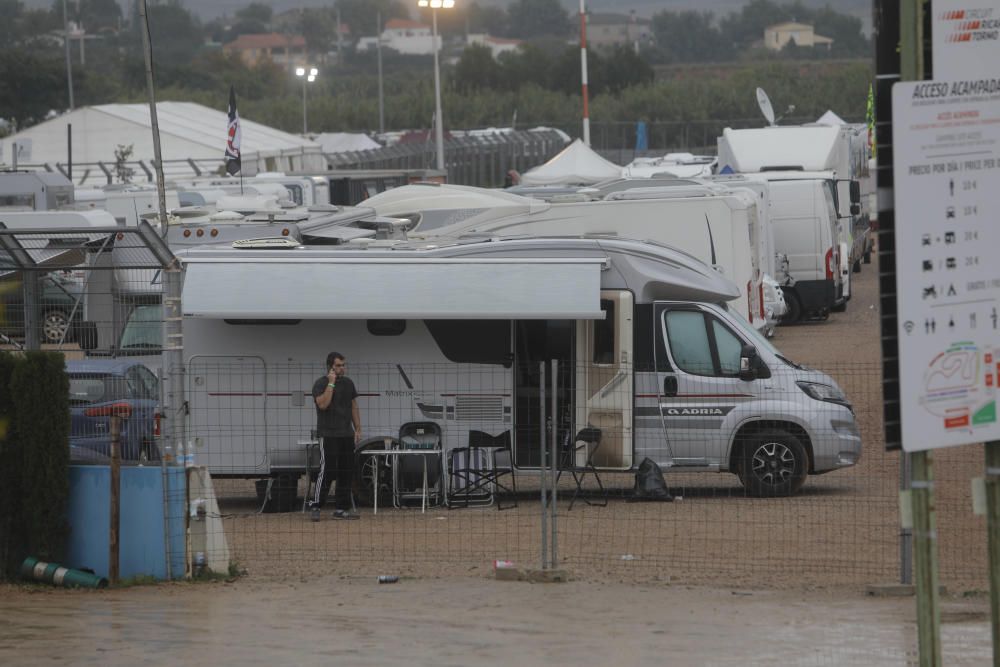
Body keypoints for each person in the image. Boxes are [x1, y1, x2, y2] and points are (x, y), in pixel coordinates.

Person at [310, 351, 362, 521]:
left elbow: (353, 406)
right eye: (338, 365)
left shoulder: (348, 383)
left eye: (343, 365)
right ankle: (316, 504)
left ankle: (341, 508)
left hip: (346, 433)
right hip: (328, 433)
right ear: (330, 367)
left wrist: (358, 428)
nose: (342, 369)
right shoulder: (320, 383)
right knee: (328, 469)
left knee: (346, 470)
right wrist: (331, 384)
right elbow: (323, 404)